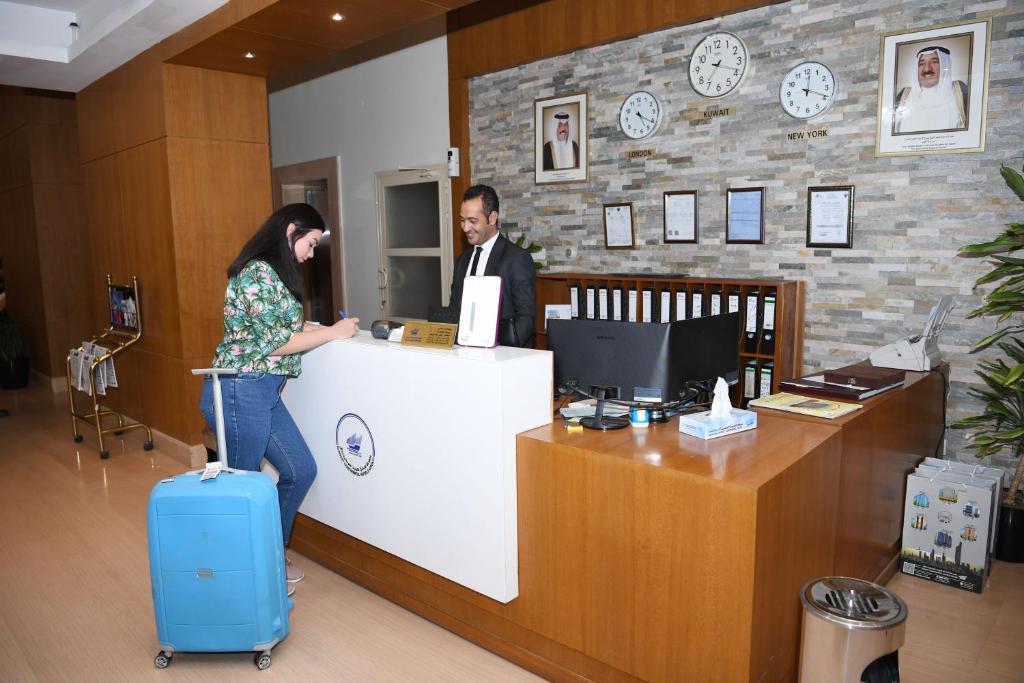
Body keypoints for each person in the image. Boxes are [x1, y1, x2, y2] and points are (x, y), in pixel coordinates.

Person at [199, 203, 359, 592]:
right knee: (245, 488)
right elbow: (277, 341)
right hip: (240, 390)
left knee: (300, 469)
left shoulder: (271, 273)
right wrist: (333, 332)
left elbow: (273, 326)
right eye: (310, 242)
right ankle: (245, 580)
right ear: (291, 231)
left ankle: (268, 553)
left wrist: (311, 326)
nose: (312, 252)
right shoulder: (256, 271)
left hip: (262, 392)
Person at [447, 185, 536, 347]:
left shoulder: (516, 259)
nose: (465, 228)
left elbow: (526, 319)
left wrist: (498, 352)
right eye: (462, 220)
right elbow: (454, 311)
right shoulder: (462, 261)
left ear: (492, 218)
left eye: (472, 221)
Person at [894, 45, 969, 133]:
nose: (927, 68)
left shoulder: (959, 90)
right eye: (921, 63)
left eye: (934, 62)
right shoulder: (904, 95)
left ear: (945, 65)